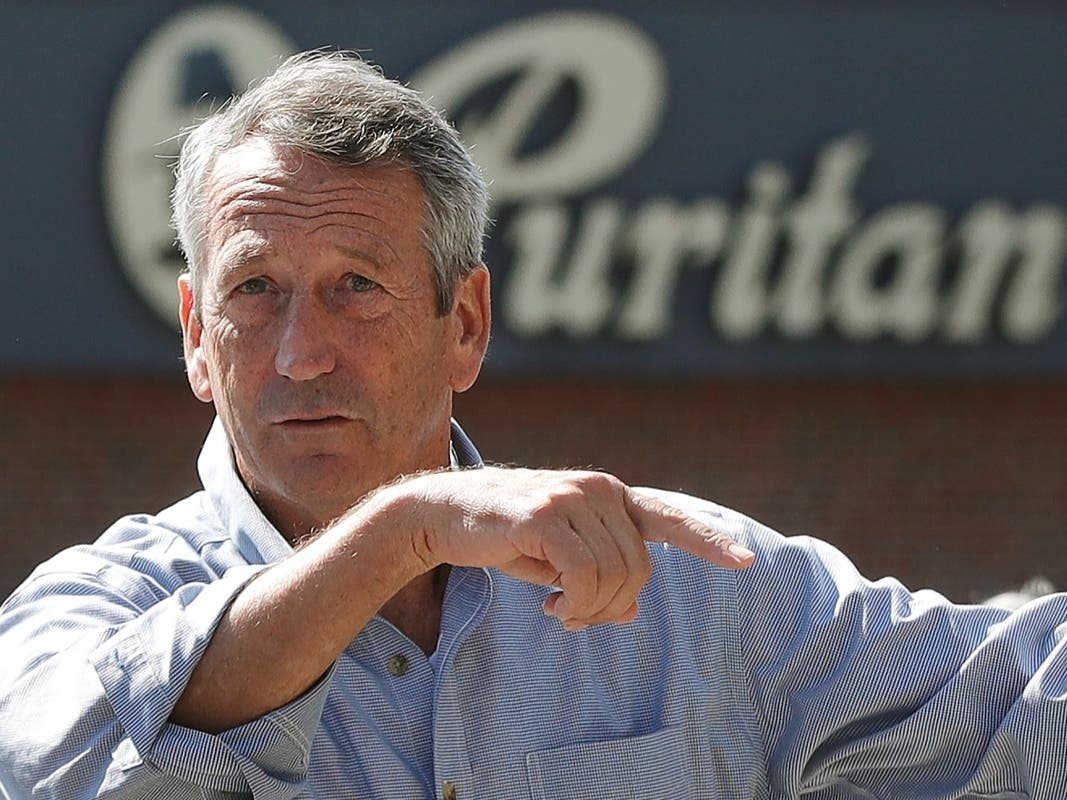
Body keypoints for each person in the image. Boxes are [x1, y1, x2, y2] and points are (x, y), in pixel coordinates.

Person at [0, 50, 1064, 800]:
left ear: (464, 324)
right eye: (254, 289)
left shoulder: (686, 593)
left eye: (356, 286)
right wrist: (404, 530)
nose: (299, 352)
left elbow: (1016, 703)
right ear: (195, 335)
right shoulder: (94, 606)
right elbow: (61, 770)